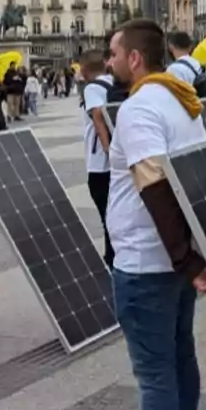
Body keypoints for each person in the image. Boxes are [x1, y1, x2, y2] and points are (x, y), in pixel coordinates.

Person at [106, 19, 206, 410]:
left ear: (135, 58)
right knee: (180, 360)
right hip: (175, 259)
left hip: (146, 263)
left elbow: (153, 184)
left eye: (114, 53)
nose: (110, 61)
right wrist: (194, 256)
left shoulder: (139, 108)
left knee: (155, 377)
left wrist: (187, 261)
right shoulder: (181, 100)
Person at [79, 50, 115, 269]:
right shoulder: (115, 83)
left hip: (101, 164)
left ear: (84, 69)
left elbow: (97, 115)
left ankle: (111, 258)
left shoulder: (92, 88)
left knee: (107, 215)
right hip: (119, 160)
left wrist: (106, 147)